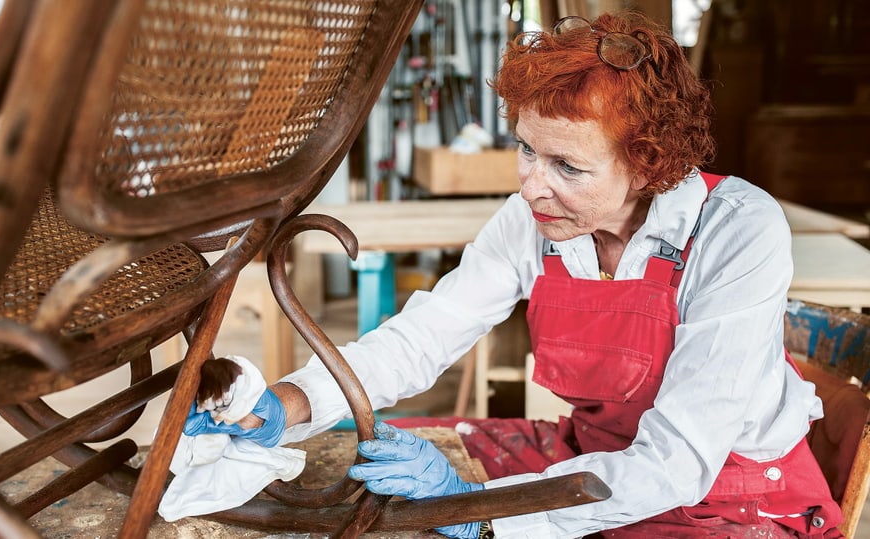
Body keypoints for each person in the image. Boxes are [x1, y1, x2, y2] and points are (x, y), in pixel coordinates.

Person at [184, 10, 843, 539]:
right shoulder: (532, 222)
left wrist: (477, 508)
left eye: (567, 166)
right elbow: (424, 337)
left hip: (730, 496)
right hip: (589, 455)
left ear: (650, 163)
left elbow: (678, 461)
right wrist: (287, 403)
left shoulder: (735, 229)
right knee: (362, 465)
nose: (532, 186)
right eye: (526, 149)